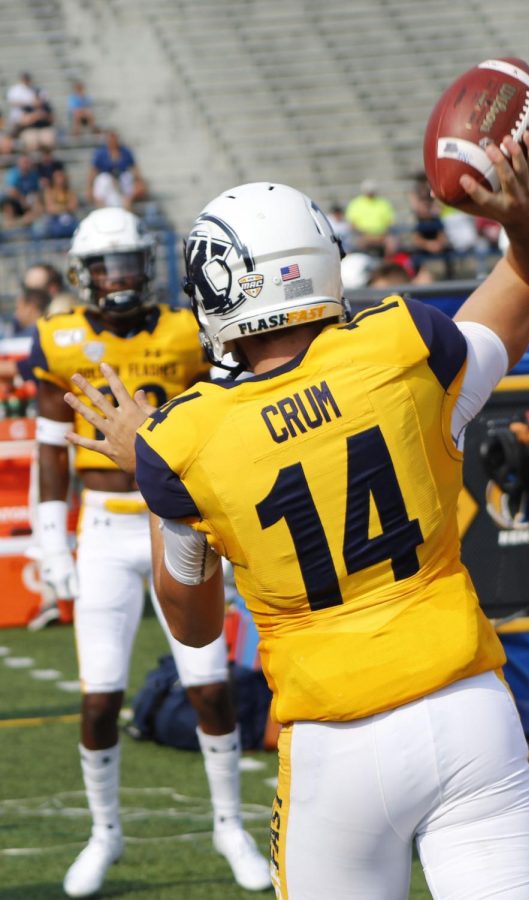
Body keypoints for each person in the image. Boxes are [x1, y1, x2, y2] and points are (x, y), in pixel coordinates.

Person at [64, 133, 529, 899]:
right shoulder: (406, 348)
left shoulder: (183, 442)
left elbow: (196, 627)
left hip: (336, 743)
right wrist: (522, 211)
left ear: (217, 287)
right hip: (468, 710)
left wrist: (152, 465)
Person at [27, 207, 271, 897]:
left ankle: (230, 824)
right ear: (82, 274)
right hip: (102, 528)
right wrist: (52, 536)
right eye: (107, 266)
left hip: (176, 521)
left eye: (131, 261)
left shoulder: (184, 328)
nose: (121, 277)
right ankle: (104, 831)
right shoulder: (60, 337)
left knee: (211, 685)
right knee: (99, 698)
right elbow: (51, 447)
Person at [87, 129, 147, 210]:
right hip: (107, 182)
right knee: (102, 180)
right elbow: (93, 171)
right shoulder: (101, 153)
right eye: (110, 138)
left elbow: (134, 169)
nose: (112, 140)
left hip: (122, 180)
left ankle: (127, 210)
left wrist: (139, 182)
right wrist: (89, 187)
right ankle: (102, 210)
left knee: (127, 179)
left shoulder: (125, 152)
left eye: (114, 138)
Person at [345, 178, 397, 256]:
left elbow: (390, 223)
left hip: (382, 235)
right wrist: (366, 235)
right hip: (363, 235)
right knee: (357, 243)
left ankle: (387, 264)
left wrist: (382, 235)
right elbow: (352, 225)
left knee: (392, 243)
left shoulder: (383, 203)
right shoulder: (356, 203)